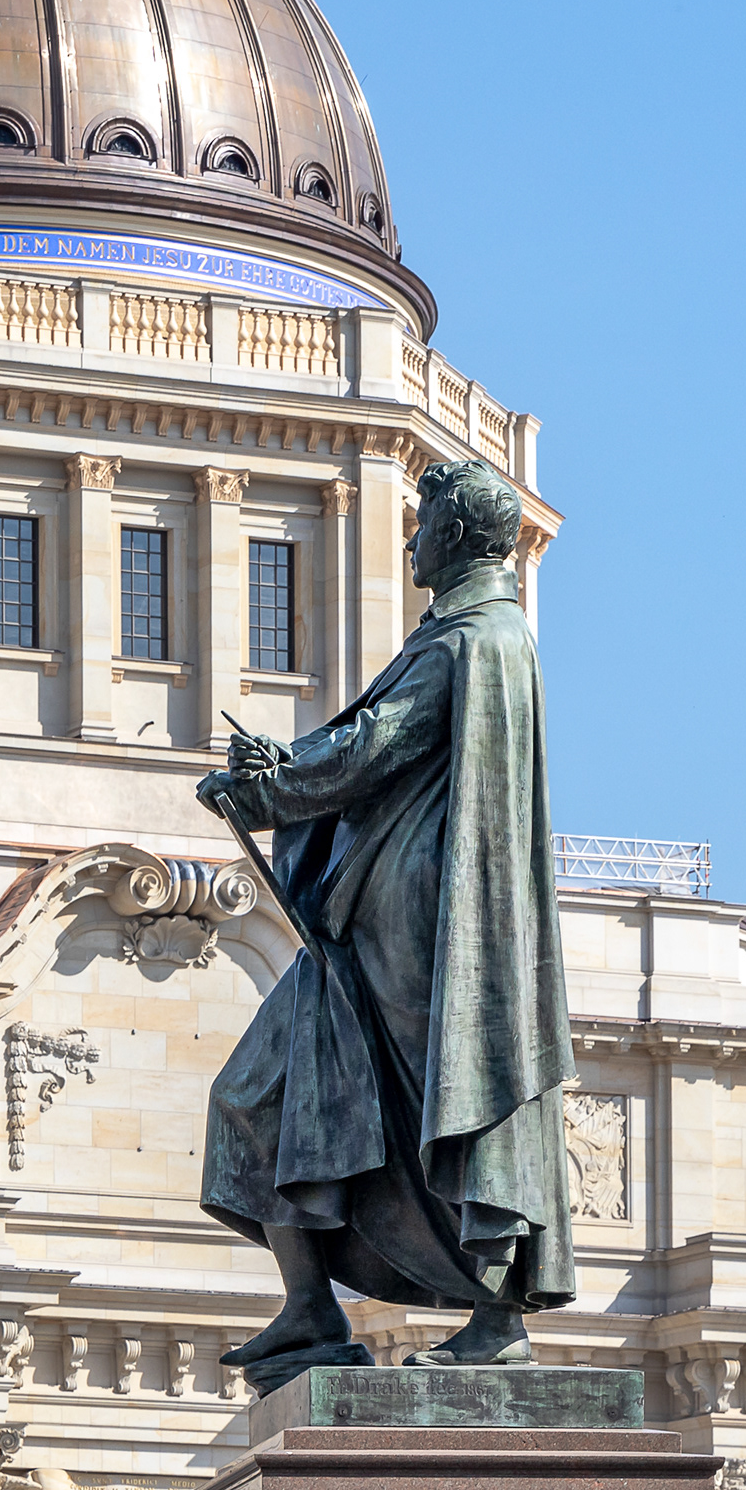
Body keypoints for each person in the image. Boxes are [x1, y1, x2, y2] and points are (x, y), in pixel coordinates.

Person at [191, 456, 577, 1389]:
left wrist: (268, 785)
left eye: (423, 522)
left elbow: (373, 747)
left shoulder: (476, 640)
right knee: (260, 1097)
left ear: (455, 535)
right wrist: (282, 771)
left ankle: (496, 1313)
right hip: (370, 914)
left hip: (418, 926)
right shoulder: (463, 636)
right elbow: (369, 745)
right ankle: (311, 1309)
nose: (409, 538)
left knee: (431, 1103)